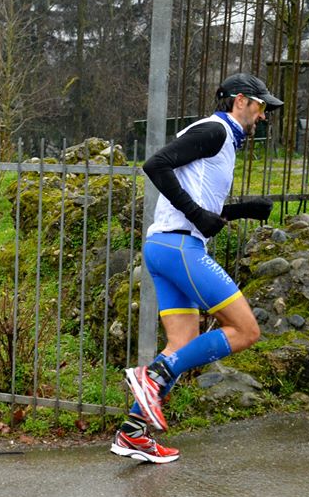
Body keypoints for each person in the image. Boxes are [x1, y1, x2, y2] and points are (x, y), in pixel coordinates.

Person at [113, 73, 282, 464]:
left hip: (165, 246)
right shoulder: (216, 130)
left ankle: (133, 433)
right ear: (241, 100)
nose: (263, 116)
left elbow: (197, 199)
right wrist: (196, 215)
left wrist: (239, 211)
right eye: (260, 106)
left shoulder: (221, 139)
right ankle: (151, 375)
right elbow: (156, 165)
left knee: (183, 344)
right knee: (246, 330)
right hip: (179, 249)